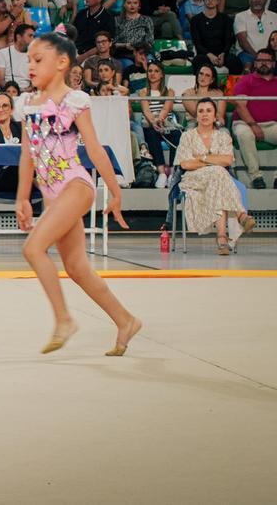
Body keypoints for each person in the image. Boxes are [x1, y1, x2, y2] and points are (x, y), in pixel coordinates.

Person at [15, 32, 140, 356]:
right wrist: (22, 197)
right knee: (77, 267)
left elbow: (95, 149)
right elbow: (27, 154)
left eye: (37, 59)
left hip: (76, 184)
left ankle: (64, 319)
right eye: (28, 59)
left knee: (33, 249)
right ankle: (125, 321)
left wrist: (114, 191)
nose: (30, 65)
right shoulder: (27, 104)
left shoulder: (74, 101)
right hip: (52, 195)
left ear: (61, 63)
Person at [177, 98, 257, 255]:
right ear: (196, 116)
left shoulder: (223, 136)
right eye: (201, 111)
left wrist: (203, 158)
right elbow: (186, 164)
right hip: (193, 179)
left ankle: (221, 238)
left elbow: (227, 160)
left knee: (218, 176)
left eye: (208, 111)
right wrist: (214, 161)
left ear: (215, 116)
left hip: (216, 179)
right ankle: (241, 215)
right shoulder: (187, 137)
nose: (204, 114)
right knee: (219, 172)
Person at [230, 49, 277, 189]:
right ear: (255, 64)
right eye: (259, 60)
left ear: (273, 64)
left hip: (271, 125)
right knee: (244, 134)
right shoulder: (246, 80)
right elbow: (240, 106)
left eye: (267, 61)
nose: (263, 63)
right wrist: (253, 125)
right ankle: (256, 176)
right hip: (245, 123)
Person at [136, 60, 182, 188]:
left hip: (165, 123)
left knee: (177, 135)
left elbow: (166, 109)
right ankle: (161, 172)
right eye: (150, 71)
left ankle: (172, 172)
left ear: (162, 74)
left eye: (156, 71)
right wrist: (154, 122)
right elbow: (146, 110)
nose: (153, 74)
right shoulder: (143, 92)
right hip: (151, 124)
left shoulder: (170, 91)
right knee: (151, 134)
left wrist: (160, 120)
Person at [233, 0, 277, 64]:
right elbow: (242, 42)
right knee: (248, 63)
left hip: (271, 54)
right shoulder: (240, 16)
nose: (258, 0)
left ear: (266, 0)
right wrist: (258, 57)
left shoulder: (274, 16)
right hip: (248, 53)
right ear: (249, 0)